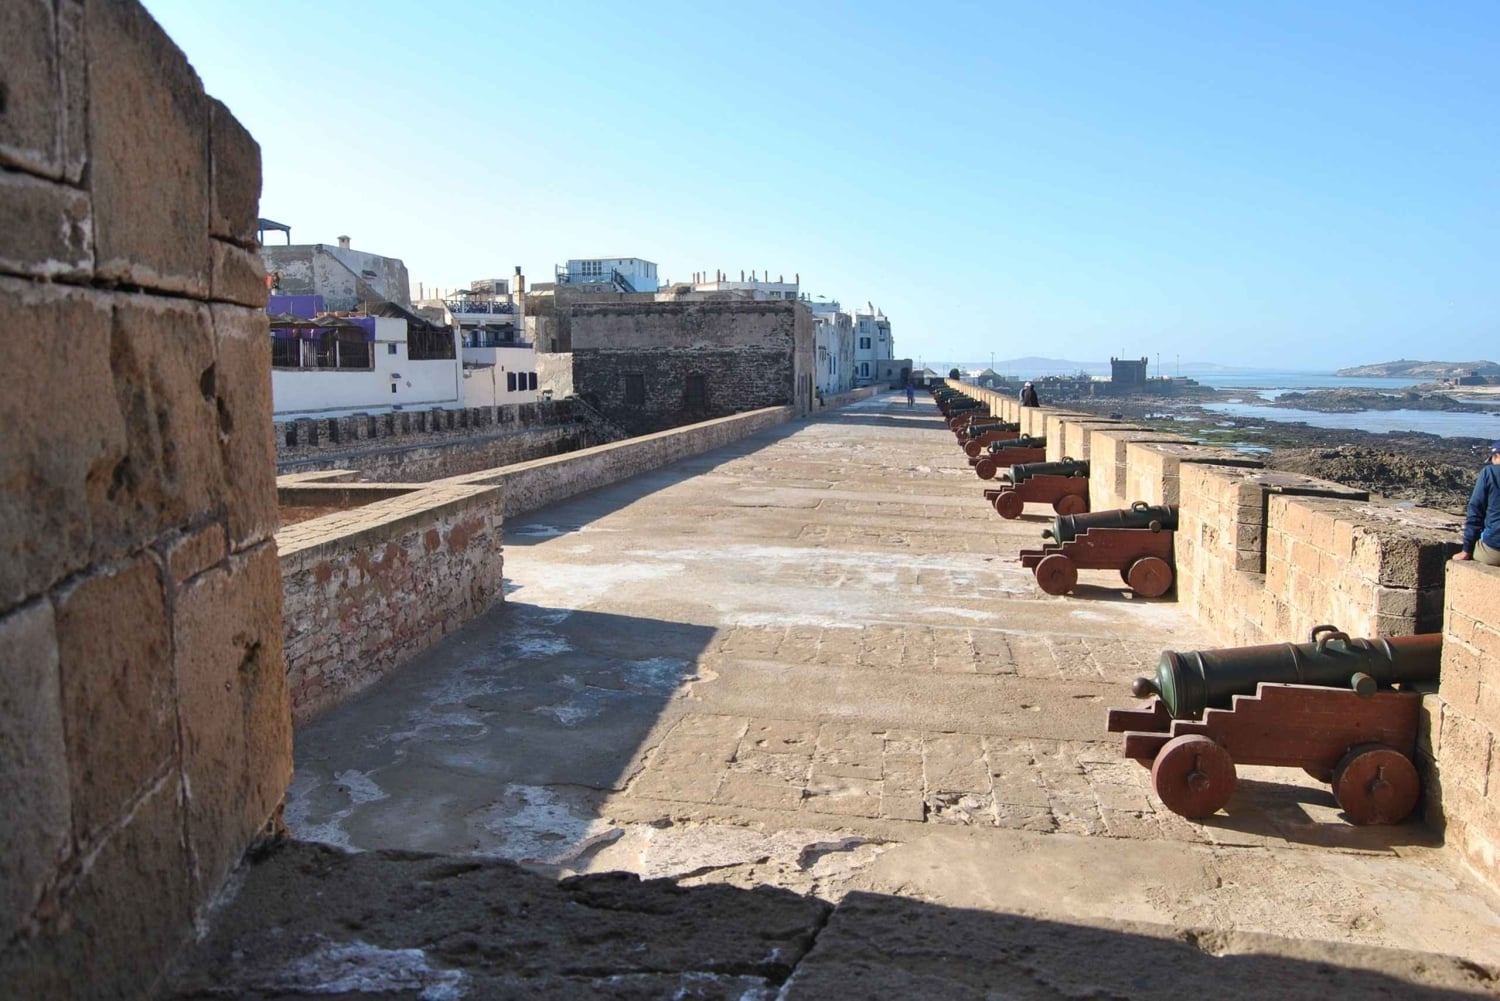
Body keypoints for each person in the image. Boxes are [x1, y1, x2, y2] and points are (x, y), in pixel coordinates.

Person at [1454, 440, 1500, 566]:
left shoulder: (1489, 473)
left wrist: (1466, 550)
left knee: (1477, 553)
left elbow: (1475, 511)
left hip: (1494, 550)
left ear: (1497, 456)